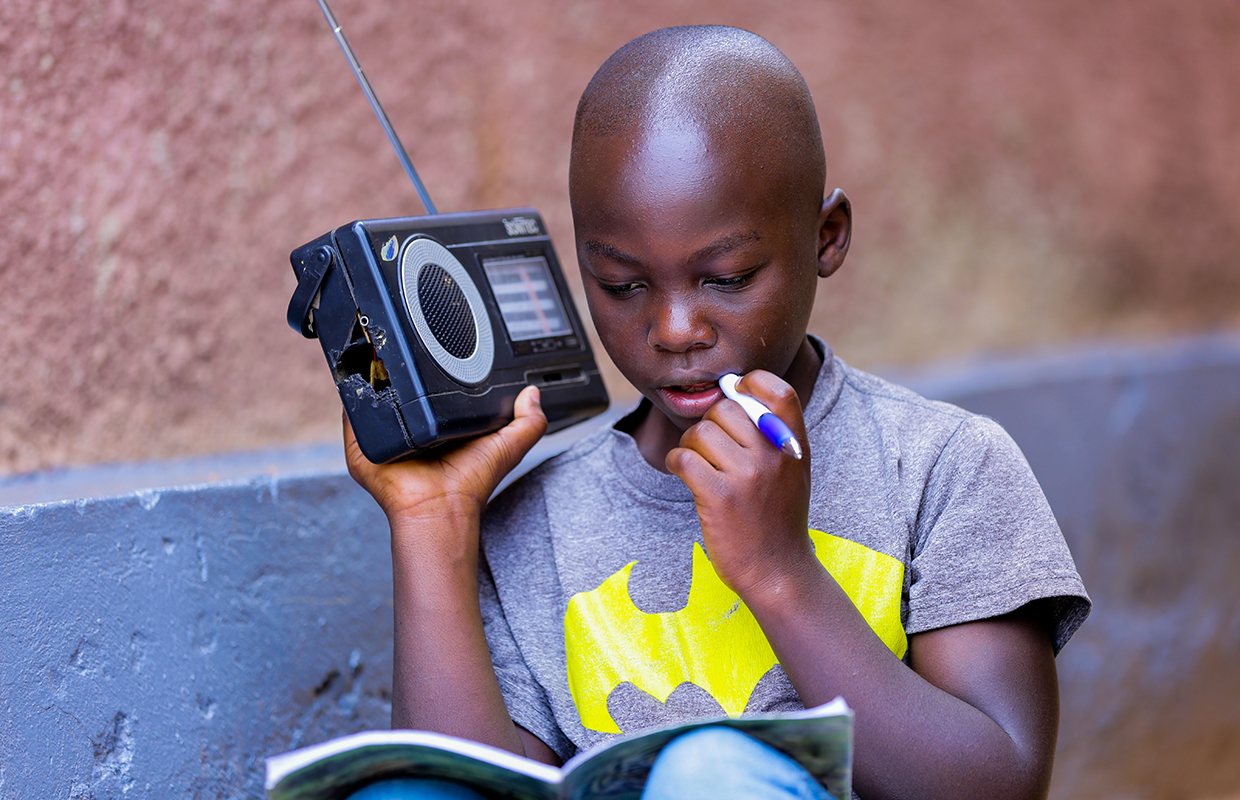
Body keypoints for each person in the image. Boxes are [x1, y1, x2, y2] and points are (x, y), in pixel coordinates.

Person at [343, 25, 1090, 800]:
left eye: (727, 277)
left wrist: (777, 570)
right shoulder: (538, 524)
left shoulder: (940, 467)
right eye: (623, 285)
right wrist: (432, 527)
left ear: (826, 237)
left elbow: (999, 786)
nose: (674, 330)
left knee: (709, 777)